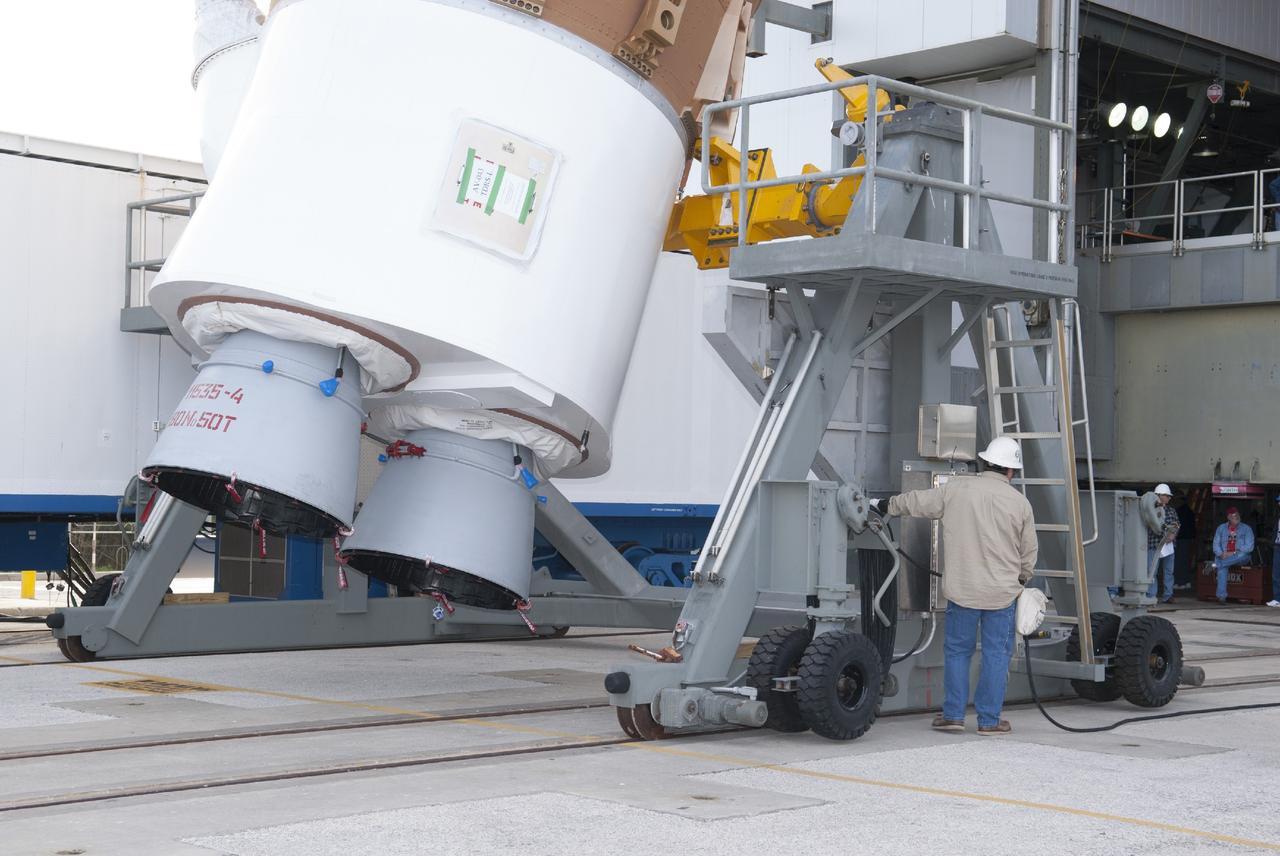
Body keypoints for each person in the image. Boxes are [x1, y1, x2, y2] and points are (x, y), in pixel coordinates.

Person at [870, 436, 1036, 736]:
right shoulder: (1020, 503)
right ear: (1011, 472)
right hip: (1001, 594)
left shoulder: (957, 489)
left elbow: (917, 502)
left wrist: (885, 505)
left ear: (984, 463)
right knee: (996, 655)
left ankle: (954, 716)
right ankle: (989, 721)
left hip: (964, 590)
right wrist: (1022, 578)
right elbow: (1029, 552)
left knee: (958, 652)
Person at [1211, 506, 1254, 604]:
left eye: (1238, 515)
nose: (1237, 517)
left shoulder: (1247, 528)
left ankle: (1217, 564)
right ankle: (1221, 597)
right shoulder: (1221, 528)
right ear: (1228, 517)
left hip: (1240, 557)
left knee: (1242, 554)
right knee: (1222, 568)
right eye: (1234, 515)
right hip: (1225, 557)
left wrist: (1234, 552)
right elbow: (1215, 544)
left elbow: (1249, 547)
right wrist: (1221, 554)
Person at [1147, 484, 1179, 603]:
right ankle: (1151, 596)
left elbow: (1176, 524)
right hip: (1154, 545)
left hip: (1169, 546)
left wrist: (1173, 534)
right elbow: (1150, 526)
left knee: (1169, 571)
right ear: (1159, 496)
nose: (1169, 498)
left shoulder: (1171, 510)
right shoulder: (1150, 510)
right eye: (1167, 495)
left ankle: (1168, 595)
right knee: (1152, 572)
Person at [1173, 497, 1197, 591]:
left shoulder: (1179, 512)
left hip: (1180, 539)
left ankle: (1180, 582)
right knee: (1185, 560)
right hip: (1187, 539)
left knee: (1179, 561)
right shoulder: (1190, 511)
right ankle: (1186, 581)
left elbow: (1177, 526)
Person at [1269, 494, 1280, 609]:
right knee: (1276, 574)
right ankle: (1277, 599)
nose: (1279, 504)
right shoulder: (1278, 516)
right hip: (1278, 546)